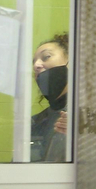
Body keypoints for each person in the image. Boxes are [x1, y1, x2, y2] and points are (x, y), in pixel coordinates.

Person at [30, 33, 70, 162]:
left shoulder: (94, 116)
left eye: (46, 57)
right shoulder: (36, 122)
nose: (36, 65)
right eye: (34, 62)